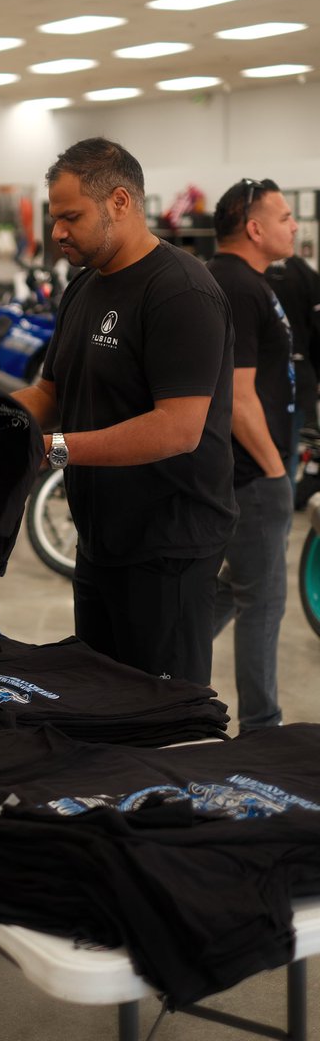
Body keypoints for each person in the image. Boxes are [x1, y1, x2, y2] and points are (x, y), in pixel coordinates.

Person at [0, 137, 236, 685]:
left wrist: (52, 450)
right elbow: (50, 394)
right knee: (100, 704)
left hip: (168, 547)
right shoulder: (83, 288)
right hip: (99, 540)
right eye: (54, 217)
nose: (57, 232)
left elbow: (179, 428)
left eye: (71, 216)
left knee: (162, 721)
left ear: (120, 202)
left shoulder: (182, 292)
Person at [207, 178, 297, 731]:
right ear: (254, 227)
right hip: (253, 473)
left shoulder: (246, 282)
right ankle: (262, 731)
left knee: (232, 590)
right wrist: (275, 471)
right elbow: (240, 398)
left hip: (246, 470)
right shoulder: (239, 286)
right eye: (285, 217)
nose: (294, 225)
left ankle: (159, 675)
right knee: (262, 603)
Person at [265, 253, 320, 489]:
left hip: (262, 377)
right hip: (295, 372)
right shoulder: (304, 273)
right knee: (288, 448)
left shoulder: (250, 273)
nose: (294, 227)